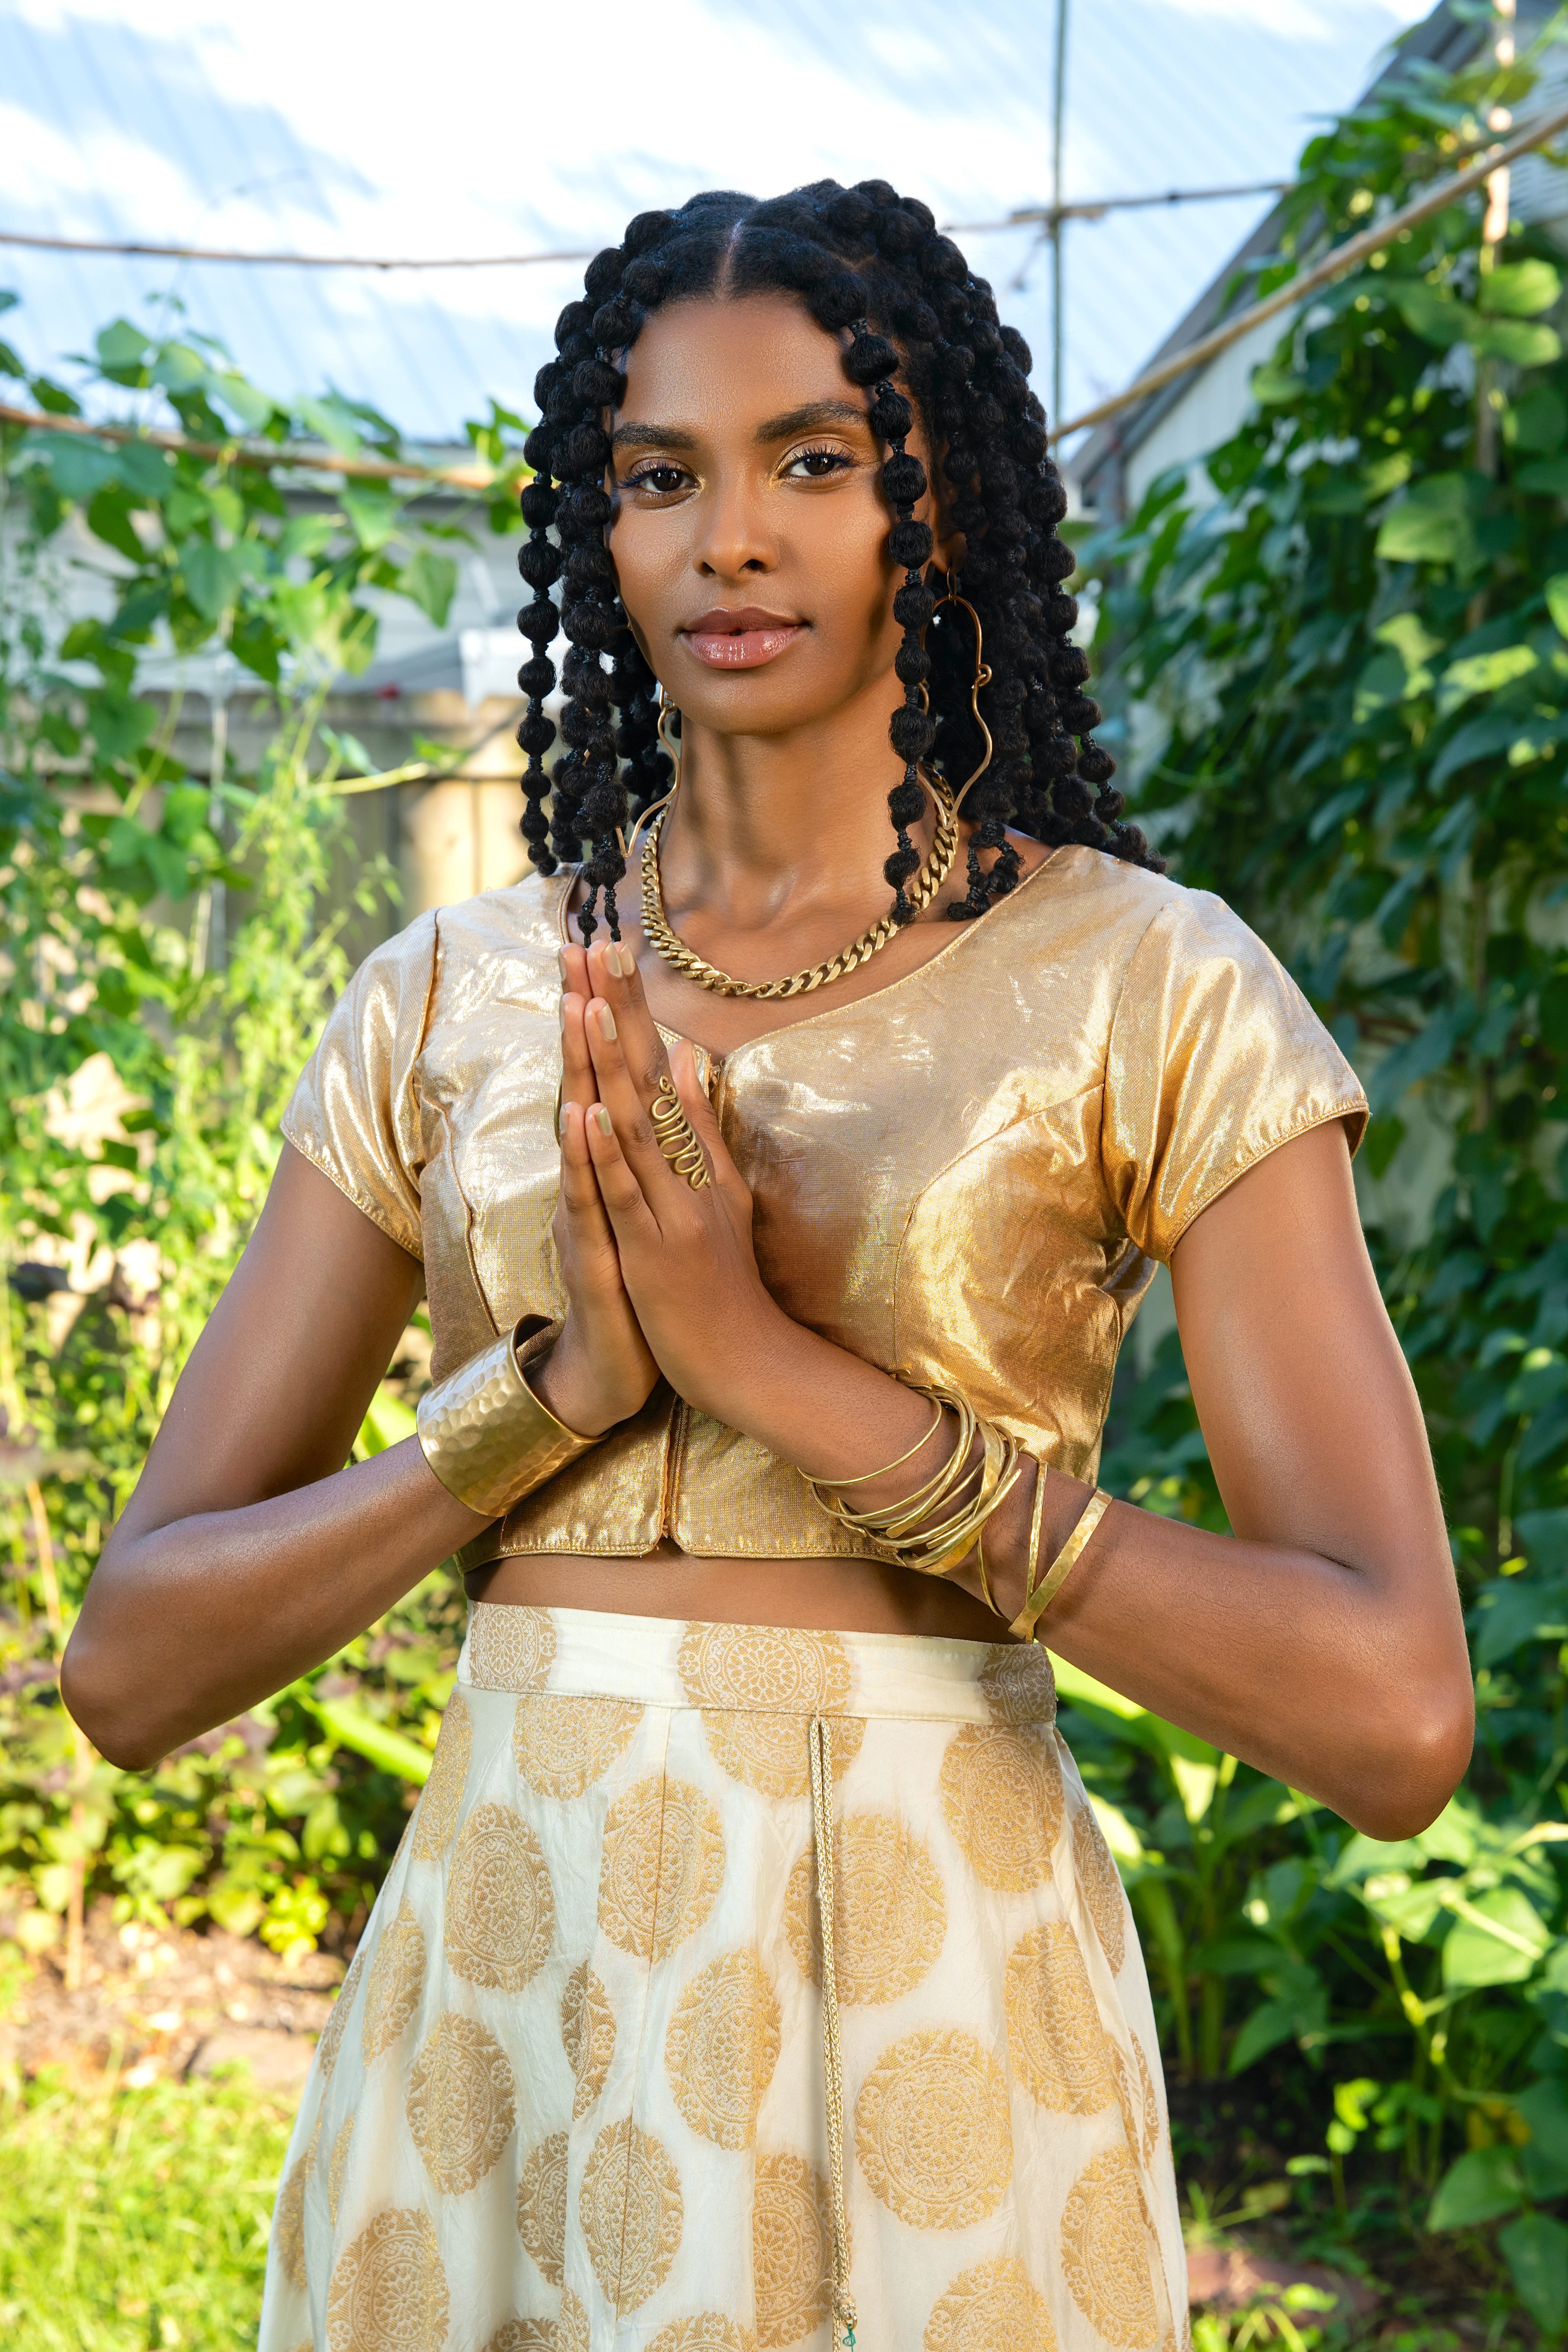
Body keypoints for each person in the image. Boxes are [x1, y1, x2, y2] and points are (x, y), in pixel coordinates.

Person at [63, 180, 1473, 2352]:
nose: (730, 538)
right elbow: (132, 1670)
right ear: (599, 531)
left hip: (931, 1984)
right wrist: (551, 1398)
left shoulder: (1144, 984)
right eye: (662, 477)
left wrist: (775, 1370)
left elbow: (1392, 1714)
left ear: (938, 499)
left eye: (814, 459)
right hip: (506, 1988)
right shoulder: (449, 998)